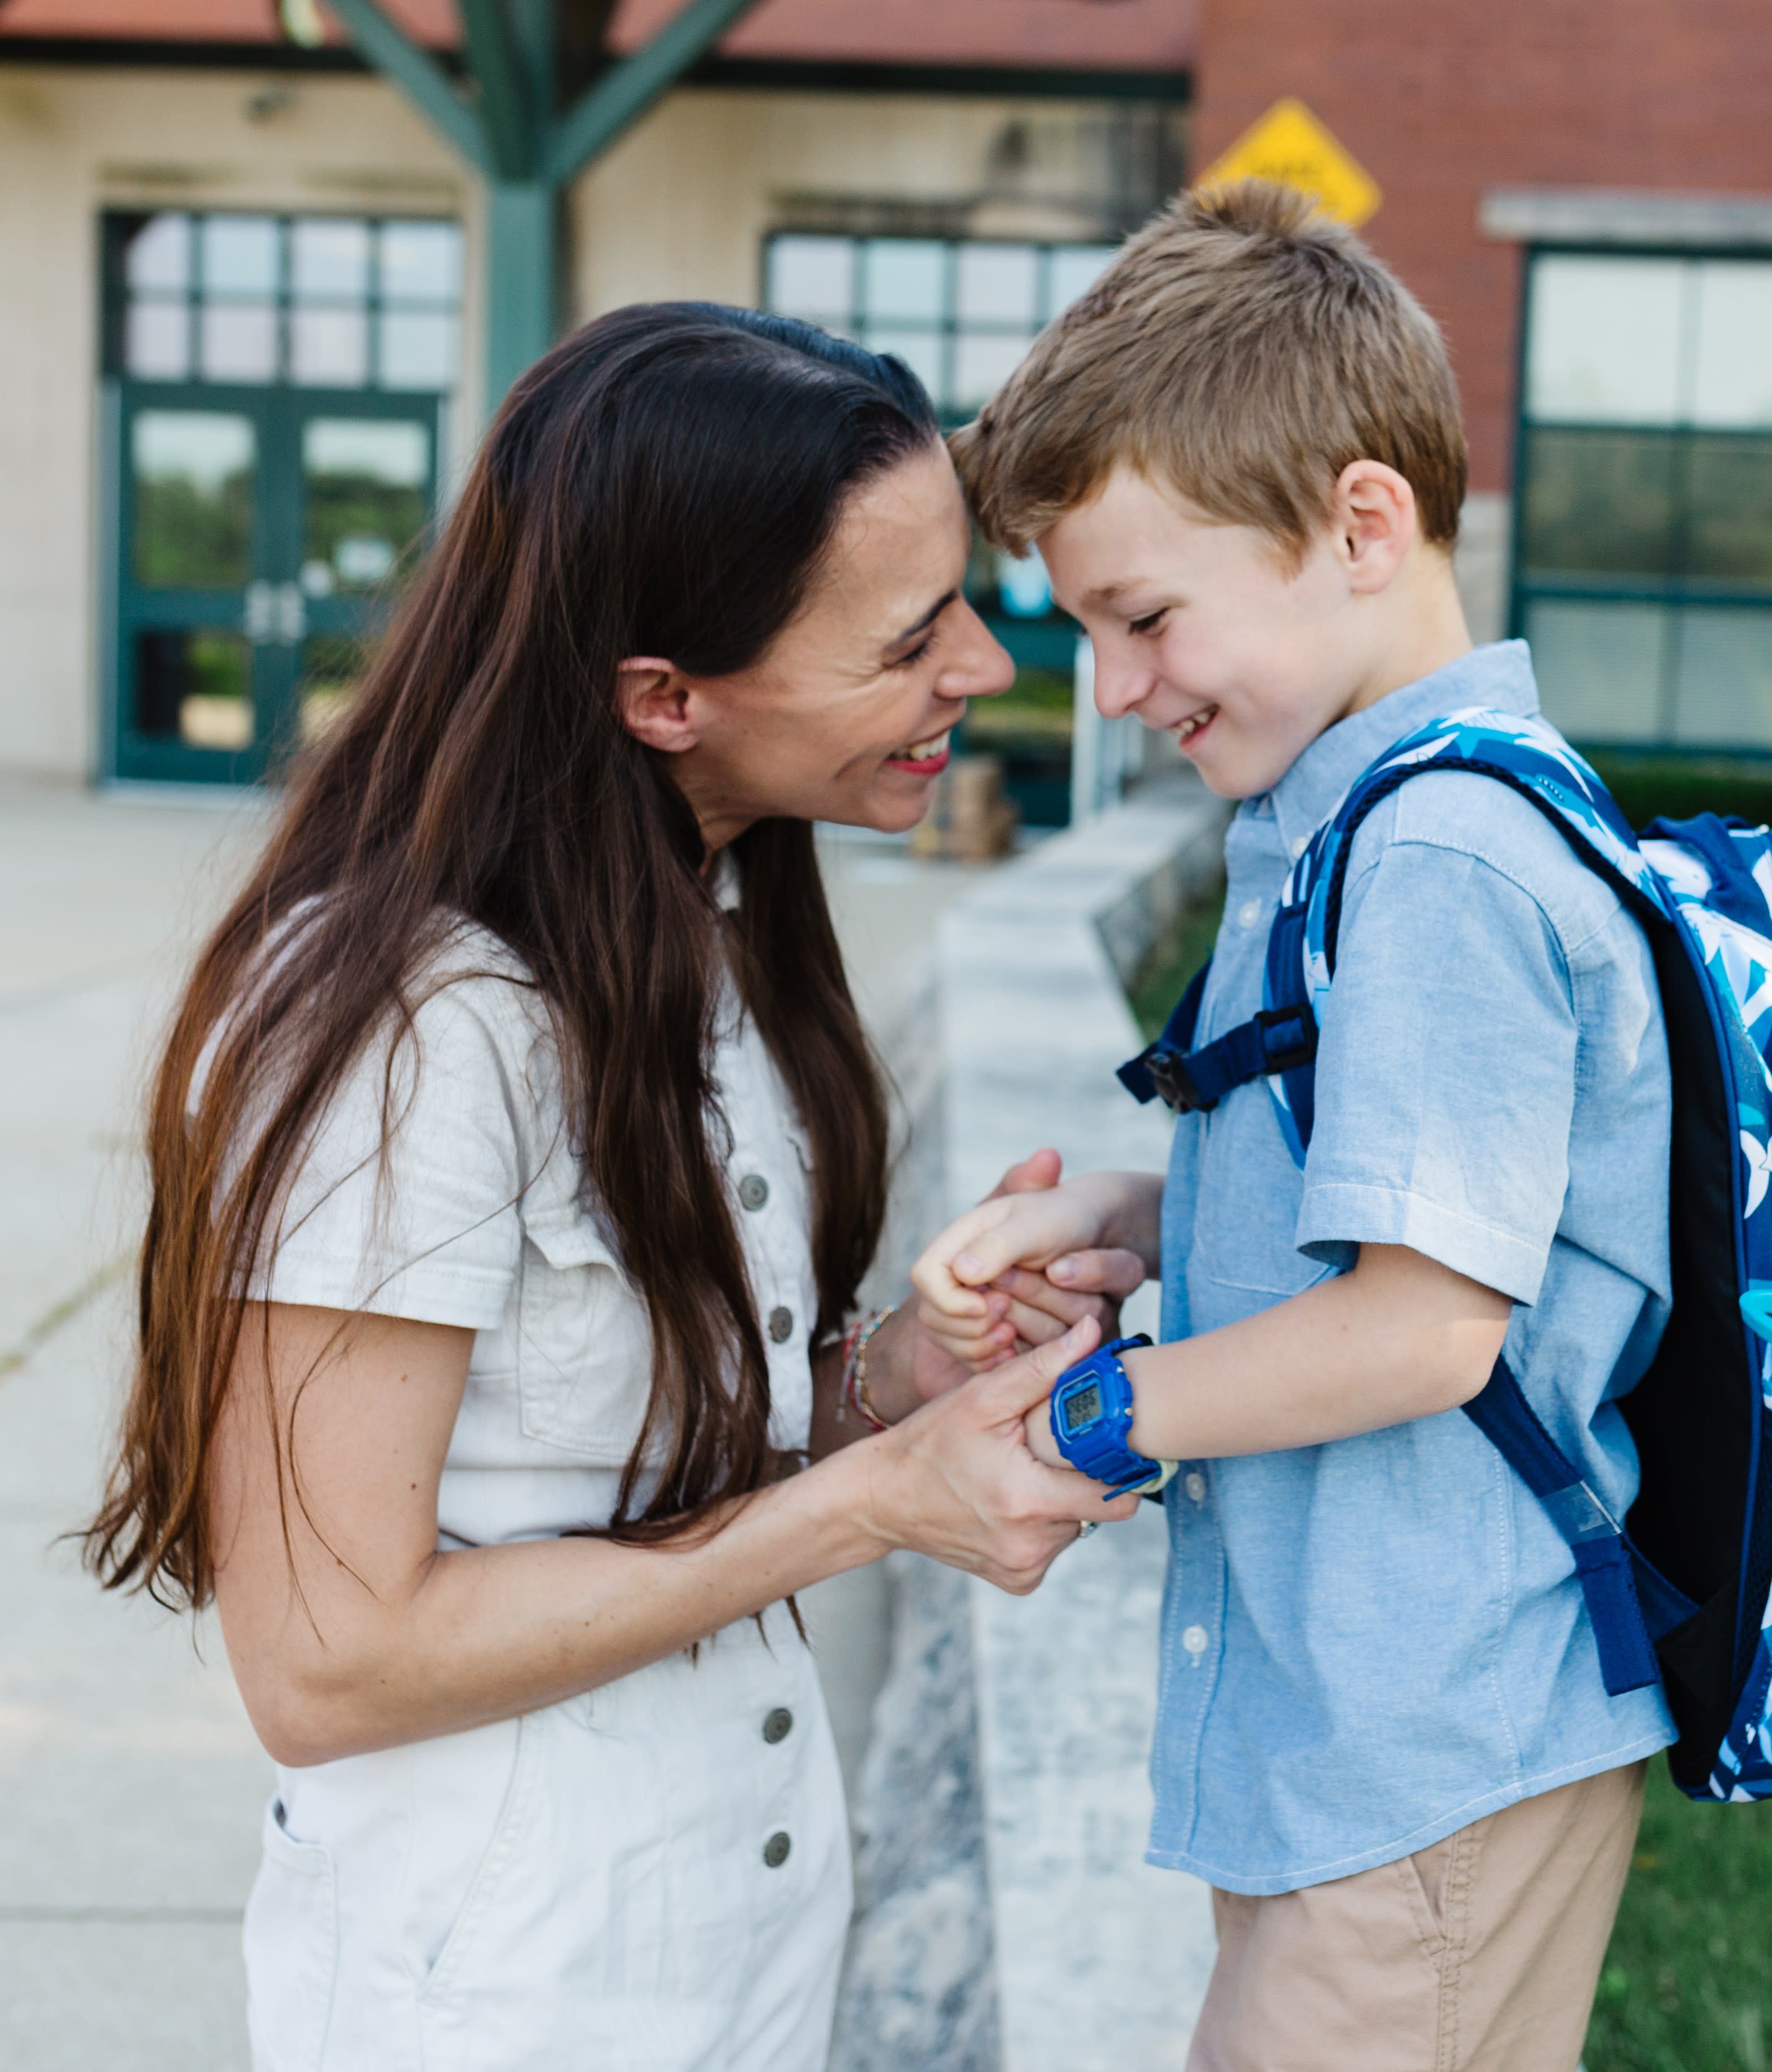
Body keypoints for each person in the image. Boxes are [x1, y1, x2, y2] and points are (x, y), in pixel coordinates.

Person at [85, 303, 1140, 2072]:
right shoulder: (410, 1035)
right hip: (504, 2006)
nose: (979, 665)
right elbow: (329, 1656)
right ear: (665, 699)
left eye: (965, 598)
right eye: (906, 638)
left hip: (731, 1961)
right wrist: (875, 1504)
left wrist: (892, 1386)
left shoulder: (709, 935)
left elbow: (604, 1451)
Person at [915, 183, 1676, 2072]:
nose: (1111, 685)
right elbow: (1418, 1199)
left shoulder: (1435, 858)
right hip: (1371, 1742)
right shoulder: (1362, 821)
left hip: (1429, 1752)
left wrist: (1097, 1415)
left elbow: (1427, 1323)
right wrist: (1144, 1207)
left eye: (1144, 615)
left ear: (1360, 524)